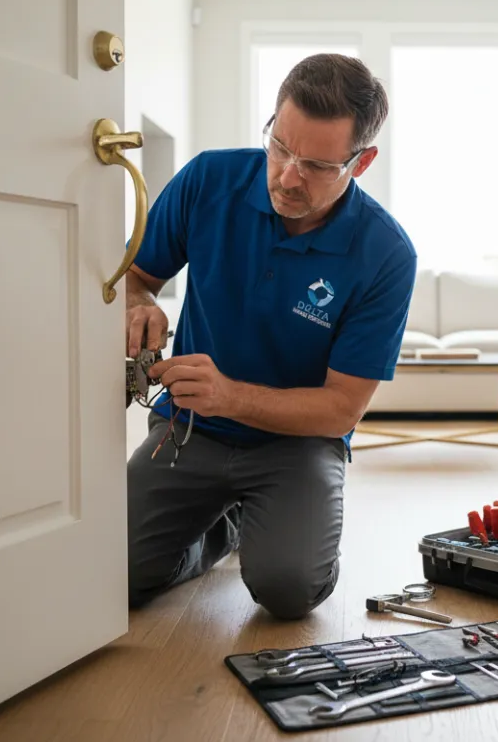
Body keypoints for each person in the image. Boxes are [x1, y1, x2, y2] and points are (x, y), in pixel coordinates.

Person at [123, 53, 417, 620]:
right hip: (191, 428)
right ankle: (222, 531)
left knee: (288, 590)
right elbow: (136, 277)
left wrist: (230, 396)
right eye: (279, 146)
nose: (287, 176)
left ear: (361, 162)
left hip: (298, 444)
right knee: (108, 569)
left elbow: (340, 409)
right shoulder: (208, 179)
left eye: (317, 165)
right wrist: (139, 305)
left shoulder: (387, 254)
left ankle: (252, 521)